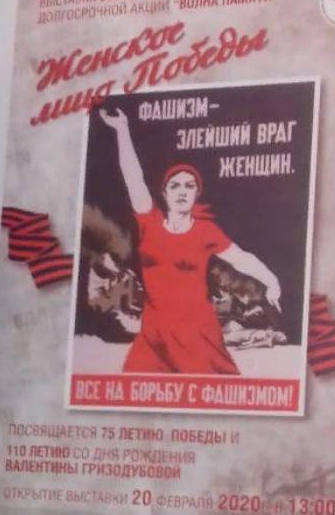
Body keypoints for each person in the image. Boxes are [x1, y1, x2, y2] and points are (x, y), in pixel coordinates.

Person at [99, 106, 280, 375]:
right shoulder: (149, 222)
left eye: (189, 186)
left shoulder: (206, 231)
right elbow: (133, 178)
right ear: (164, 193)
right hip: (154, 334)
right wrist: (122, 130)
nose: (182, 191)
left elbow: (242, 258)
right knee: (133, 389)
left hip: (196, 333)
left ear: (196, 194)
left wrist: (272, 281)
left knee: (211, 395)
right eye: (175, 185)